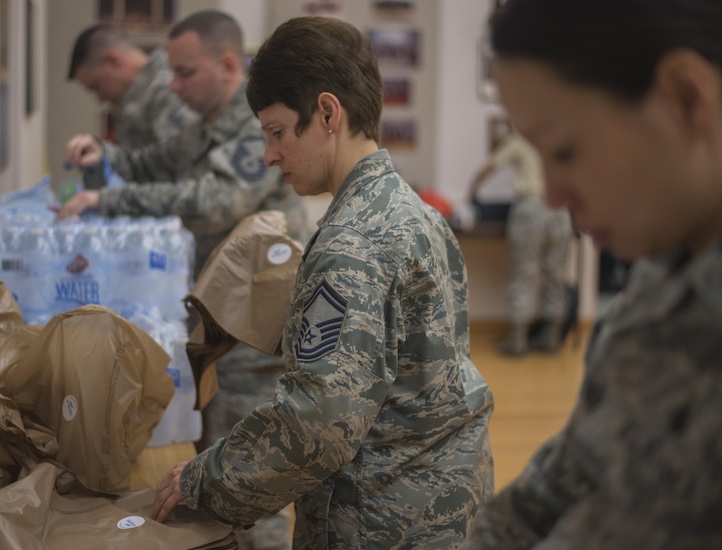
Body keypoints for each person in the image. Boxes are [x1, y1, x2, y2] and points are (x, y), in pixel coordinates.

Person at [152, 16, 494, 549]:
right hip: (443, 500)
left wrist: (202, 477)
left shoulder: (348, 245)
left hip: (378, 520)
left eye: (278, 132)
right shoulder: (417, 212)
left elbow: (316, 425)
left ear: (328, 112)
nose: (269, 155)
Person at [469, 0, 722, 548]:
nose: (552, 194)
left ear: (687, 97)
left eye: (567, 151)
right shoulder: (665, 268)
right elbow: (571, 472)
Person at [59, 11, 310, 550]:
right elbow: (153, 163)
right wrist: (107, 156)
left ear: (225, 65)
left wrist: (110, 198)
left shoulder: (253, 126)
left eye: (185, 72)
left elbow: (219, 201)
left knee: (253, 476)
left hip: (257, 327)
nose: (172, 87)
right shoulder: (203, 128)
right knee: (215, 463)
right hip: (222, 320)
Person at [469, 131, 574, 356]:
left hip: (531, 208)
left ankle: (517, 339)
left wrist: (472, 191)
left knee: (523, 273)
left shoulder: (522, 139)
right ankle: (551, 337)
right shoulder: (561, 138)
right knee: (555, 275)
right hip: (561, 209)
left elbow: (490, 167)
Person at [67, 23, 196, 149]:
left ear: (112, 61)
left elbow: (178, 161)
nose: (99, 98)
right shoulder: (139, 97)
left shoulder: (165, 91)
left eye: (97, 85)